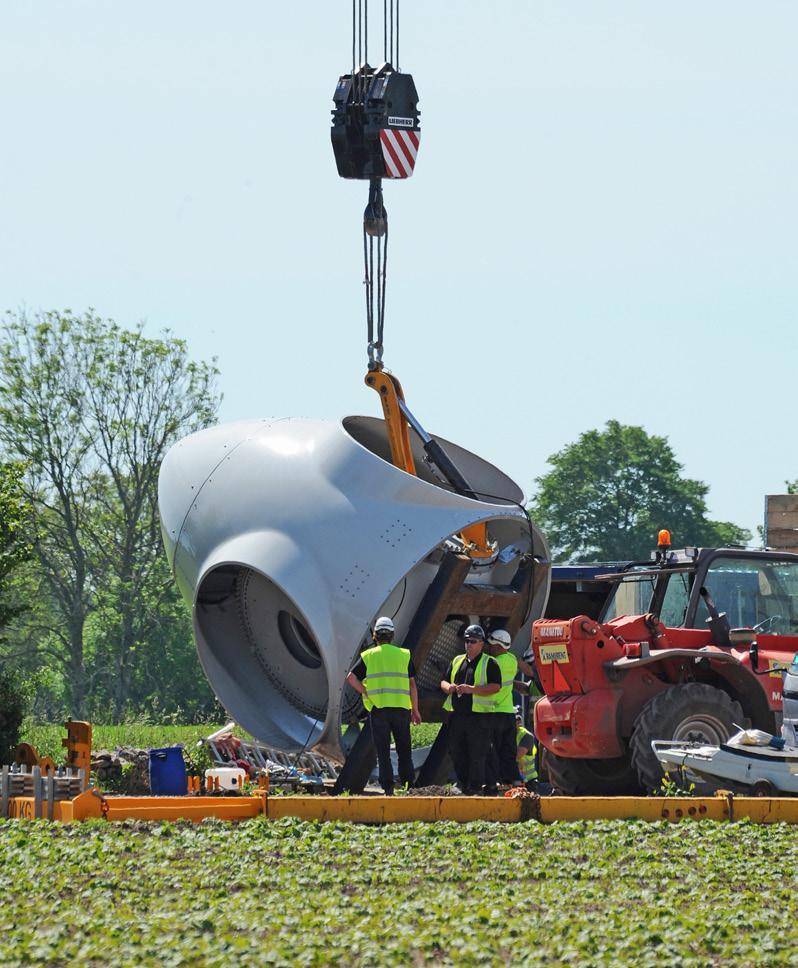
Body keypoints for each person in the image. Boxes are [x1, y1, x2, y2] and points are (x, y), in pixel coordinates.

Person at [346, 616, 421, 795]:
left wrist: (365, 690)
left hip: (379, 709)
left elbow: (350, 677)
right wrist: (415, 709)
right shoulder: (404, 655)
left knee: (383, 750)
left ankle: (388, 788)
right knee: (404, 750)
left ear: (375, 636)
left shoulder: (369, 656)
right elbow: (412, 685)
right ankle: (409, 785)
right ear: (392, 635)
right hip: (402, 709)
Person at [439, 624, 501, 795]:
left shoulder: (490, 663)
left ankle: (475, 787)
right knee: (457, 752)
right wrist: (449, 687)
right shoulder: (457, 660)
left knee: (477, 754)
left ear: (481, 643)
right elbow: (443, 681)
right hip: (457, 716)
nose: (469, 644)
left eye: (473, 641)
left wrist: (472, 689)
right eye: (466, 641)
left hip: (479, 718)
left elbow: (496, 687)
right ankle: (464, 783)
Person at [484, 628, 536, 789]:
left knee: (491, 749)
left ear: (499, 646)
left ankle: (493, 784)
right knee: (507, 750)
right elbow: (529, 671)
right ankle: (515, 782)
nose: (489, 647)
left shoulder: (490, 662)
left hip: (494, 712)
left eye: (492, 645)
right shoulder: (512, 659)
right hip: (508, 713)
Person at [515, 707, 538, 789]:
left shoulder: (526, 735)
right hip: (514, 779)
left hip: (528, 782)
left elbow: (517, 756)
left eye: (518, 720)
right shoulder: (507, 735)